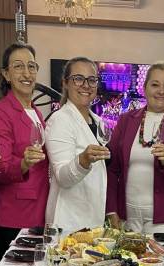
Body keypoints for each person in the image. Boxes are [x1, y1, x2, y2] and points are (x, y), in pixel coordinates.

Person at [106, 62, 164, 235]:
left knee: (157, 255)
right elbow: (112, 169)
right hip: (127, 217)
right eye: (155, 84)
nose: (161, 91)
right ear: (144, 88)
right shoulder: (125, 121)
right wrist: (111, 209)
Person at [0, 43, 49, 260]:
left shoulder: (35, 112)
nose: (26, 73)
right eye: (18, 66)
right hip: (15, 214)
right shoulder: (0, 112)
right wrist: (24, 163)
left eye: (31, 66)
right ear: (6, 74)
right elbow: (0, 168)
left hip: (39, 208)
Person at [44, 57, 110, 233]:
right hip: (68, 222)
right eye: (78, 79)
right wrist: (83, 160)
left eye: (92, 80)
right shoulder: (59, 120)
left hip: (92, 220)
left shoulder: (99, 123)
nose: (86, 85)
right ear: (65, 83)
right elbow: (63, 177)